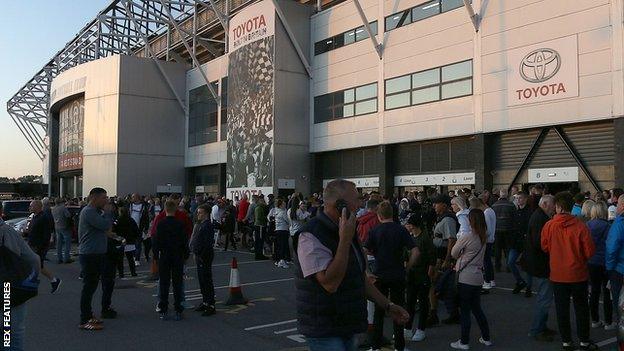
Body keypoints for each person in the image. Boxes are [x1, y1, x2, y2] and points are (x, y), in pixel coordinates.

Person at [294, 180, 409, 351]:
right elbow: (330, 283)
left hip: (348, 324)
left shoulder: (348, 231)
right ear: (340, 206)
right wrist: (345, 240)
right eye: (355, 200)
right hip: (325, 328)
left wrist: (387, 305)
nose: (359, 205)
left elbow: (358, 277)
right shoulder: (310, 235)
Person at [541, 192, 597, 351]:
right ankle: (584, 341)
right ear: (571, 207)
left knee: (562, 310)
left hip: (558, 275)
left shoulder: (549, 225)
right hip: (578, 274)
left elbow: (544, 246)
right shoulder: (580, 226)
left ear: (558, 207)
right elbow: (589, 251)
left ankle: (566, 341)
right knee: (581, 309)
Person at [365, 201, 419, 351]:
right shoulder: (401, 230)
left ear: (379, 215)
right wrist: (407, 268)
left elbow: (364, 250)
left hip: (379, 274)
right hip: (397, 274)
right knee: (398, 310)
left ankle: (375, 346)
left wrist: (367, 272)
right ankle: (399, 346)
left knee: (379, 312)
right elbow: (415, 251)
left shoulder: (375, 231)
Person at [1, 201, 40, 350]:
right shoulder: (8, 232)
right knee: (11, 331)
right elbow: (33, 259)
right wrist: (33, 279)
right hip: (8, 288)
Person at [450, 209, 492, 350]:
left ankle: (464, 341)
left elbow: (453, 253)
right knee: (477, 309)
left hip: (465, 277)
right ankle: (486, 337)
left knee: (465, 311)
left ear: (471, 220)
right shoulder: (484, 236)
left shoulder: (467, 236)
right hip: (478, 276)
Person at [78, 187, 113, 330]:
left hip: (96, 253)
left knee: (92, 286)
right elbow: (105, 225)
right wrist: (108, 213)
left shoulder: (96, 212)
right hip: (90, 254)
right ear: (94, 198)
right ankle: (84, 319)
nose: (106, 200)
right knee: (89, 287)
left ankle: (89, 314)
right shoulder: (89, 212)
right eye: (104, 197)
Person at [524, 195, 557, 342]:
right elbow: (539, 243)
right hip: (541, 264)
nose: (554, 208)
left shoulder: (539, 216)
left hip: (538, 263)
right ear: (544, 204)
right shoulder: (540, 219)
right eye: (553, 205)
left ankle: (541, 327)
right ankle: (537, 329)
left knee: (543, 297)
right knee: (544, 298)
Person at [153, 199, 190, 321]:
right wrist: (185, 255)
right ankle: (178, 309)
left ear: (165, 209)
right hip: (177, 256)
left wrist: (155, 255)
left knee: (164, 283)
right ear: (175, 209)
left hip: (164, 255)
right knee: (177, 283)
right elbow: (185, 241)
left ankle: (163, 309)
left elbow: (156, 241)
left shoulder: (161, 223)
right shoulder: (180, 224)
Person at [404, 214, 435, 342]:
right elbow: (406, 254)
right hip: (412, 274)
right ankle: (408, 328)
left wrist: (429, 273)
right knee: (410, 302)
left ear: (413, 225)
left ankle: (421, 329)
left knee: (423, 303)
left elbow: (432, 258)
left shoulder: (425, 239)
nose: (406, 226)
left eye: (408, 224)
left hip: (422, 274)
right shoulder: (410, 238)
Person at [430, 194, 459, 326]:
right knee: (441, 286)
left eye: (436, 203)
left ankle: (452, 313)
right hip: (439, 255)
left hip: (443, 257)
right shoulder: (441, 218)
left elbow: (451, 239)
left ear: (444, 205)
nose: (434, 206)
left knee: (442, 285)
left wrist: (447, 259)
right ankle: (450, 313)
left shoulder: (448, 220)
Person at [586, 201, 615, 330]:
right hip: (605, 262)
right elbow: (611, 246)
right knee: (607, 292)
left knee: (594, 292)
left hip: (591, 262)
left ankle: (595, 320)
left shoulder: (587, 225)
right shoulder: (608, 226)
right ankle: (608, 322)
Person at [26, 200, 61, 294]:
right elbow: (32, 230)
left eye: (31, 206)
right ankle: (54, 280)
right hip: (32, 244)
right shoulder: (35, 217)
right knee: (38, 266)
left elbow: (46, 234)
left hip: (38, 246)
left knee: (35, 265)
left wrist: (41, 247)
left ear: (37, 206)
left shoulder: (43, 217)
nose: (29, 208)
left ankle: (31, 283)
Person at [190, 204, 216, 316]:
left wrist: (200, 255)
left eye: (200, 212)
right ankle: (205, 301)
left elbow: (207, 243)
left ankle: (210, 304)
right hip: (199, 255)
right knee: (202, 280)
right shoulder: (201, 224)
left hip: (204, 256)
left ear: (205, 213)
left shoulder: (207, 225)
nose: (198, 214)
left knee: (206, 280)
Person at [471, 196, 496, 292]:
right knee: (488, 261)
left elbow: (488, 229)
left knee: (485, 261)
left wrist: (481, 237)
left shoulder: (486, 213)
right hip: (491, 239)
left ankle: (487, 281)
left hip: (487, 240)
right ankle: (491, 280)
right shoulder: (491, 210)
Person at [606, 194, 624, 326]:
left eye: (617, 204)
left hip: (619, 269)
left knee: (620, 303)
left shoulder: (619, 224)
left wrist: (609, 267)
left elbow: (612, 248)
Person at [510, 191, 533, 295]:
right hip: (515, 242)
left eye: (520, 198)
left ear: (525, 199)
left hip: (526, 242)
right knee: (510, 262)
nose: (518, 200)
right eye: (517, 198)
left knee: (528, 266)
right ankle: (520, 281)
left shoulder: (530, 212)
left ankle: (529, 287)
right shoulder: (515, 212)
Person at [491, 189, 517, 273]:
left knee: (497, 249)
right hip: (508, 230)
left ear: (500, 195)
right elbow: (514, 218)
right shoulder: (511, 205)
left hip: (497, 230)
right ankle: (509, 267)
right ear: (507, 195)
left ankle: (497, 267)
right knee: (508, 249)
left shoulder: (494, 205)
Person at [113, 205, 139, 277]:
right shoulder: (131, 220)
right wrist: (135, 237)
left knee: (120, 260)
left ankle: (121, 273)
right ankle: (133, 272)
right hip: (130, 241)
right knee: (130, 258)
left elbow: (113, 229)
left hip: (120, 241)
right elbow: (136, 230)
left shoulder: (117, 220)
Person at [129, 193, 150, 265]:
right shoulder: (129, 205)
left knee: (138, 244)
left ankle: (137, 259)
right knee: (131, 244)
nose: (132, 198)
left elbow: (146, 218)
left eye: (133, 197)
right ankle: (134, 256)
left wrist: (146, 228)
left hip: (139, 228)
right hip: (131, 228)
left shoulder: (143, 206)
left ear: (137, 198)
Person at [51, 198, 73, 264]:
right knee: (67, 243)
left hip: (57, 226)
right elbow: (68, 215)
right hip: (64, 226)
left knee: (59, 243)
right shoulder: (63, 208)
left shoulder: (53, 209)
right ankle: (66, 258)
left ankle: (59, 258)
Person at [271, 199, 291, 268]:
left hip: (278, 230)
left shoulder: (276, 211)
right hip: (283, 230)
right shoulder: (282, 212)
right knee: (283, 246)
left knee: (279, 246)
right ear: (280, 205)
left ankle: (278, 260)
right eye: (283, 204)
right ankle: (281, 261)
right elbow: (287, 221)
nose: (285, 205)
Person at [254, 196, 269, 260]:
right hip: (260, 225)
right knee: (260, 241)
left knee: (259, 241)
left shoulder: (260, 208)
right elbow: (259, 217)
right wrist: (266, 218)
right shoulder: (259, 208)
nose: (264, 202)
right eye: (263, 201)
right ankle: (259, 255)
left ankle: (259, 254)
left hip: (259, 225)